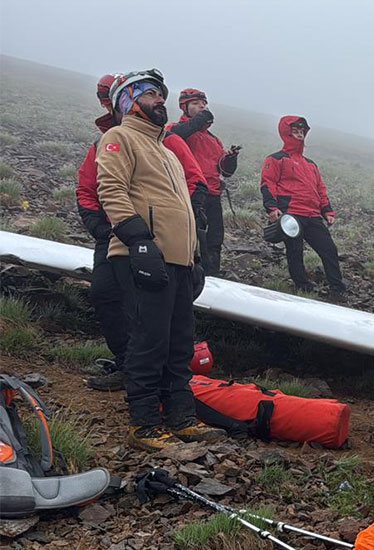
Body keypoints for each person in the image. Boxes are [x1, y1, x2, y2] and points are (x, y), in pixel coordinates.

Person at [95, 69, 224, 451]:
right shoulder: (119, 137)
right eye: (150, 94)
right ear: (128, 101)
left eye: (159, 94)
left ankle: (182, 418)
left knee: (179, 342)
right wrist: (137, 240)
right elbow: (111, 188)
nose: (159, 100)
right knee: (149, 341)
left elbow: (180, 204)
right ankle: (145, 424)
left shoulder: (166, 150)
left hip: (178, 260)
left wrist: (194, 256)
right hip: (142, 256)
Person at [77, 73, 210, 393]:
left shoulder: (167, 140)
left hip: (161, 239)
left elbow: (194, 184)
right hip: (116, 236)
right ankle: (129, 366)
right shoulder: (108, 140)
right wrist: (101, 228)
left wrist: (187, 240)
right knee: (106, 295)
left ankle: (157, 380)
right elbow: (88, 189)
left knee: (156, 309)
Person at [259, 116, 346, 299]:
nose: (299, 134)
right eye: (295, 131)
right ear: (286, 132)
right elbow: (268, 184)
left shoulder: (311, 164)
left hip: (313, 215)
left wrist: (327, 211)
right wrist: (272, 208)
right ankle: (302, 286)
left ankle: (338, 290)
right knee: (295, 251)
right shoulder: (276, 159)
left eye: (301, 131)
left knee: (329, 250)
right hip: (291, 214)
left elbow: (320, 189)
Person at [167, 88, 240, 276]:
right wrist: (199, 121)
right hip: (187, 191)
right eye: (195, 104)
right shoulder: (174, 129)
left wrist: (230, 158)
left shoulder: (213, 140)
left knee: (214, 239)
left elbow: (225, 171)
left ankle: (211, 276)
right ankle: (182, 274)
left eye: (204, 104)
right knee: (188, 235)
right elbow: (171, 139)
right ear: (184, 107)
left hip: (213, 193)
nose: (201, 107)